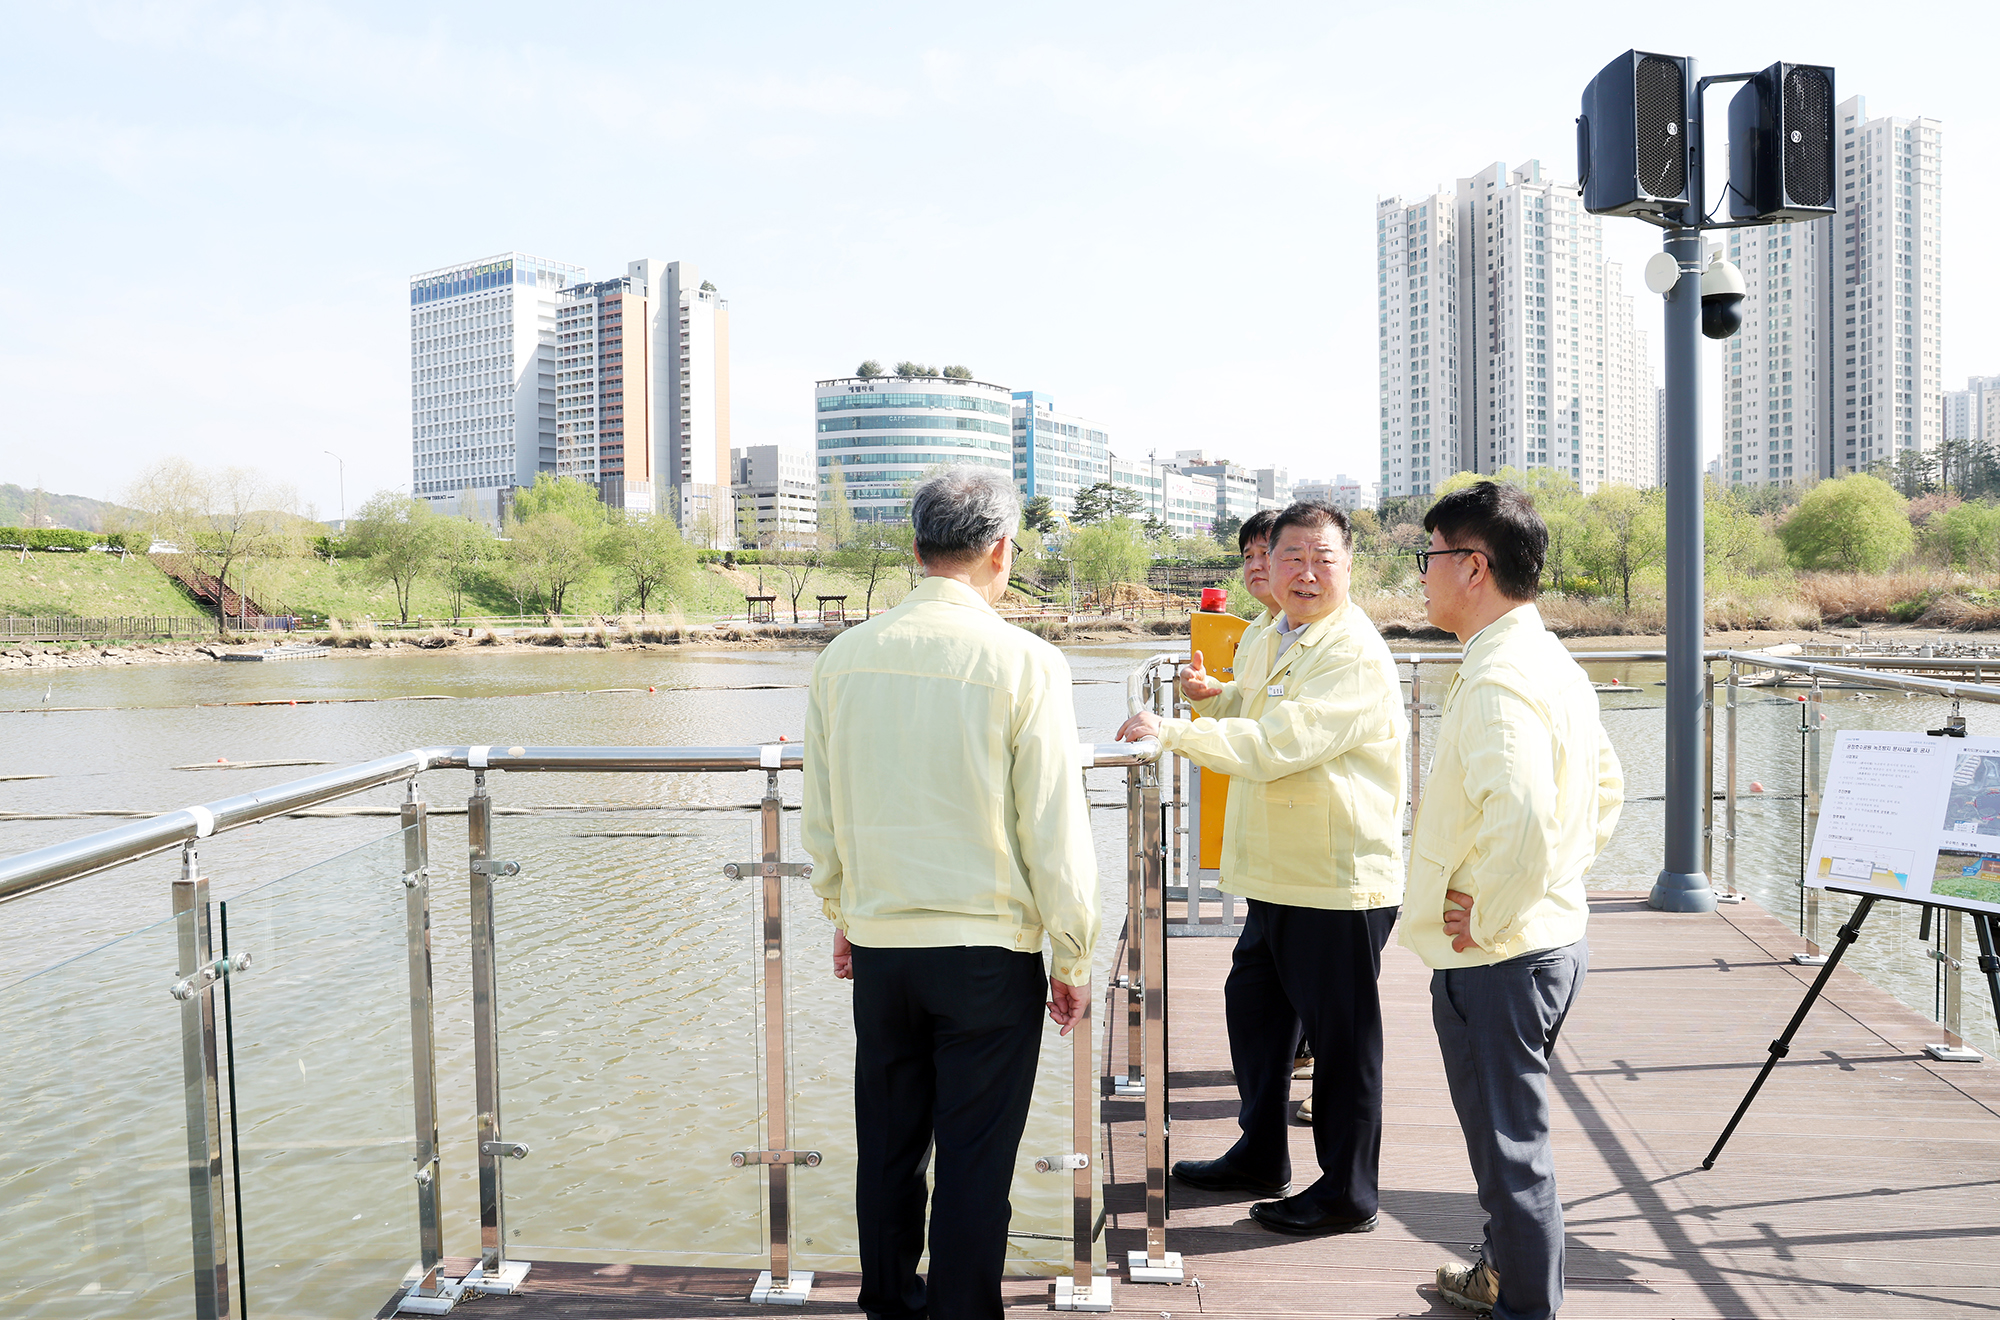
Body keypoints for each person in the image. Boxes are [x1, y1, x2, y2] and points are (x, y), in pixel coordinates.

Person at [802, 465, 1099, 1320]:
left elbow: (822, 815)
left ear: (918, 546)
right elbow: (1054, 828)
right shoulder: (1026, 662)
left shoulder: (844, 657)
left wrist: (844, 911)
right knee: (976, 1159)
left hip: (884, 947)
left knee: (889, 1148)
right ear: (1001, 550)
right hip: (986, 954)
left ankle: (890, 1303)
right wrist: (1072, 954)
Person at [1117, 500, 1406, 1236]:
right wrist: (1213, 700)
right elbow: (1251, 709)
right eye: (1291, 558)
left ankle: (1348, 1192)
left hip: (1334, 878)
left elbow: (1280, 742)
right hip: (1275, 873)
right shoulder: (1268, 634)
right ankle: (1261, 1152)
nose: (1307, 573)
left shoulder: (1351, 651)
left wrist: (1171, 730)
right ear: (1266, 565)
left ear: (1349, 566)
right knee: (1255, 1011)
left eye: (1323, 559)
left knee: (1341, 1042)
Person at [1401, 481, 1623, 1320]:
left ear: (1474, 567)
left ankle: (1528, 1308)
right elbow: (1604, 789)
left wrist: (1493, 908)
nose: (1422, 575)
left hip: (1503, 957)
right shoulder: (1547, 657)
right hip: (1548, 938)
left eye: (1429, 557)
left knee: (1511, 1154)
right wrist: (1547, 884)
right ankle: (1502, 1275)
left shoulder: (1500, 676)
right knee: (1509, 1142)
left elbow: (1525, 815)